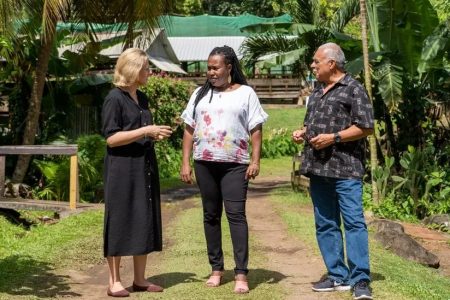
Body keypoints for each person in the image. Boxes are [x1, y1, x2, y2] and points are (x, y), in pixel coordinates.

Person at [180, 45, 268, 294]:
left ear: (229, 67)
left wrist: (255, 160)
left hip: (235, 164)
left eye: (215, 67)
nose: (210, 72)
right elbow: (189, 128)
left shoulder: (246, 93)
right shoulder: (199, 94)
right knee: (210, 215)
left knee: (236, 215)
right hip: (204, 162)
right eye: (208, 67)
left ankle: (241, 273)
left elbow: (256, 129)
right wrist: (185, 162)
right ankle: (216, 269)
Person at [292, 42, 374, 300]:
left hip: (346, 169)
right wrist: (303, 132)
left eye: (317, 61)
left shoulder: (354, 89)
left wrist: (334, 138)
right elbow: (313, 123)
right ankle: (337, 275)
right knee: (325, 223)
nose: (313, 65)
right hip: (318, 169)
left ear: (332, 63)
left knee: (353, 223)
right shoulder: (316, 91)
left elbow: (366, 127)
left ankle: (360, 280)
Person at [102, 48, 172, 298]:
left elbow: (141, 129)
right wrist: (145, 131)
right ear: (132, 70)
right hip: (121, 170)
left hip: (143, 165)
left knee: (143, 218)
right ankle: (114, 281)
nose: (149, 72)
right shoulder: (114, 98)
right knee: (120, 219)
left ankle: (140, 279)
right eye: (146, 68)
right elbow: (112, 138)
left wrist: (154, 133)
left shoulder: (141, 98)